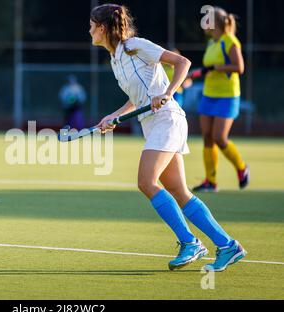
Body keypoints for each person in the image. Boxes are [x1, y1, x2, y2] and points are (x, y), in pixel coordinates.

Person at [90, 3, 246, 271]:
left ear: (103, 28)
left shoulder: (135, 45)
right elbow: (135, 98)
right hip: (151, 125)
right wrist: (112, 117)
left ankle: (189, 242)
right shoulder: (115, 58)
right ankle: (228, 245)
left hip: (168, 120)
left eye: (92, 25)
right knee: (179, 191)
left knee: (145, 181)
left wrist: (169, 92)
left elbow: (182, 63)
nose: (89, 30)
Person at [193, 7, 249, 192]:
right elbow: (210, 67)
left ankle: (241, 167)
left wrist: (217, 67)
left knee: (219, 138)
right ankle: (211, 181)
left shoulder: (230, 41)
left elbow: (239, 67)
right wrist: (203, 71)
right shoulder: (212, 43)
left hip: (227, 96)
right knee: (207, 137)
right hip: (209, 94)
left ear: (215, 23)